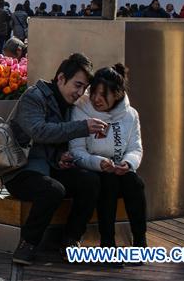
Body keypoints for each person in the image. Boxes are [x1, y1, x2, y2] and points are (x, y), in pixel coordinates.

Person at [3, 53, 107, 266]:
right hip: (20, 170)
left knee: (90, 180)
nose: (80, 93)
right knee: (53, 190)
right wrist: (83, 127)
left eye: (84, 88)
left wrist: (62, 157)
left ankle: (71, 240)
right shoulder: (34, 97)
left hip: (49, 167)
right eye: (77, 85)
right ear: (60, 78)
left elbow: (54, 143)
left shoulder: (70, 105)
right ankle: (27, 244)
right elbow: (39, 132)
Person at [70, 64, 146, 250]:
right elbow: (77, 150)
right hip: (94, 170)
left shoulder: (130, 114)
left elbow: (136, 148)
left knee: (134, 182)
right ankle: (108, 244)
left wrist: (128, 164)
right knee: (108, 184)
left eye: (104, 94)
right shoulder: (81, 110)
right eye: (94, 92)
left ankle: (140, 241)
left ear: (118, 94)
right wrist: (98, 163)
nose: (97, 99)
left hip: (120, 169)